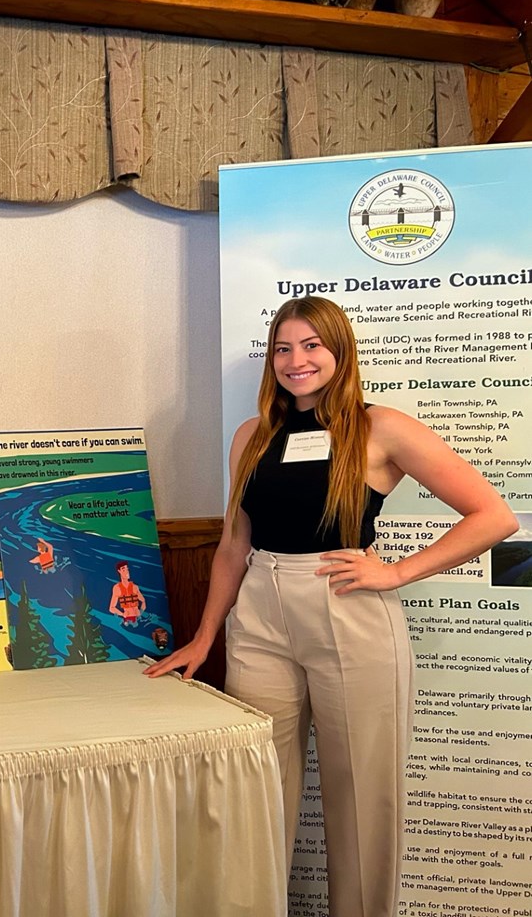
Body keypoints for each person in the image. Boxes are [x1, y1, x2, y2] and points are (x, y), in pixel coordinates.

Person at [146, 296, 516, 917]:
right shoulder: (251, 435)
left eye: (312, 346)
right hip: (260, 614)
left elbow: (493, 516)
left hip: (349, 609)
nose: (297, 361)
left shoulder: (382, 427)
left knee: (361, 800)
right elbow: (234, 545)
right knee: (257, 792)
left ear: (340, 352)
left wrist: (397, 571)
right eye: (283, 348)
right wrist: (205, 636)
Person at [108, 561, 145, 628]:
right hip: (126, 620)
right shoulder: (117, 588)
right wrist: (122, 614)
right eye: (123, 569)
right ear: (119, 571)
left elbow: (143, 601)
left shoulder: (135, 587)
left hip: (136, 619)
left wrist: (140, 612)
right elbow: (111, 608)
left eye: (127, 569)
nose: (126, 572)